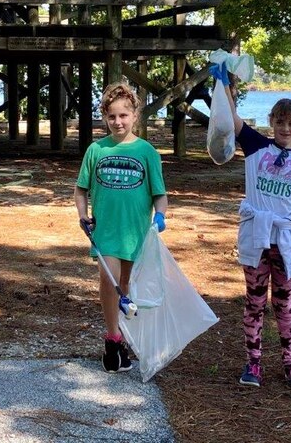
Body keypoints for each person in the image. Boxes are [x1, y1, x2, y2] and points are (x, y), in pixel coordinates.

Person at [211, 62, 291, 390]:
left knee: (284, 303)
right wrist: (225, 85)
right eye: (280, 122)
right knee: (255, 301)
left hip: (287, 241)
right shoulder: (257, 147)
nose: (285, 128)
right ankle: (253, 363)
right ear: (271, 122)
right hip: (257, 237)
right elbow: (231, 119)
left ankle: (290, 363)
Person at [74, 81, 168, 373]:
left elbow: (159, 194)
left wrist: (160, 215)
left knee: (126, 286)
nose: (118, 122)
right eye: (112, 116)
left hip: (136, 233)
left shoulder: (147, 152)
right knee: (109, 281)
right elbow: (80, 190)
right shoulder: (96, 150)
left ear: (135, 116)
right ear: (105, 117)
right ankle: (113, 339)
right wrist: (82, 215)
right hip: (106, 232)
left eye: (123, 116)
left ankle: (126, 339)